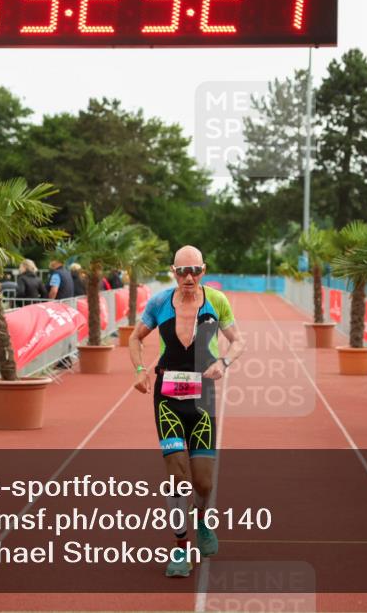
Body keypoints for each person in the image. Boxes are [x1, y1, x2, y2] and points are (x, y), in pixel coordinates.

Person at [129, 246, 246, 578]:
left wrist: (224, 362)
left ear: (203, 270)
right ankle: (180, 547)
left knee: (204, 483)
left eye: (195, 270)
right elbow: (135, 338)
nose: (189, 277)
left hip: (202, 396)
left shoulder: (216, 301)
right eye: (182, 271)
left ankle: (202, 520)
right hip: (167, 397)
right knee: (177, 477)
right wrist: (140, 370)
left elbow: (238, 341)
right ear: (173, 272)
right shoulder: (159, 303)